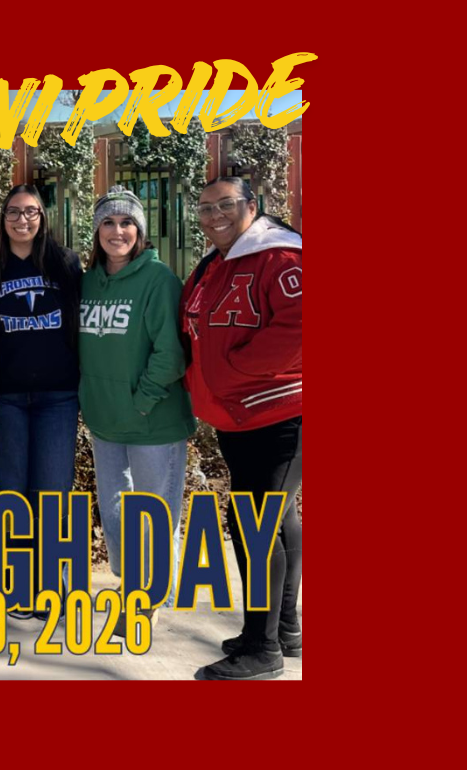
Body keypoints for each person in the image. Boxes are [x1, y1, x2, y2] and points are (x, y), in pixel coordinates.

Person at [183, 178, 303, 681]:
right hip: (238, 415)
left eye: (226, 205)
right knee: (278, 519)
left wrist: (229, 372)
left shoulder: (282, 257)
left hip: (278, 413)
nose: (214, 215)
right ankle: (286, 627)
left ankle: (262, 648)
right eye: (206, 207)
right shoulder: (216, 261)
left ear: (252, 207)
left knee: (253, 526)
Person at [77, 185, 194, 630]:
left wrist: (141, 401)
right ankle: (131, 585)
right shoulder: (88, 282)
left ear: (141, 231)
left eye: (127, 222)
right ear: (97, 231)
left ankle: (148, 599)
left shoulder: (159, 280)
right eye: (108, 221)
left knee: (155, 513)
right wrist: (94, 402)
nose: (117, 230)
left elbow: (170, 353)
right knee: (114, 512)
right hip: (105, 423)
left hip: (153, 423)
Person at [0, 185, 82, 618]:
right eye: (14, 212)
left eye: (32, 212)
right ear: (2, 219)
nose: (23, 220)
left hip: (59, 396)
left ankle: (47, 585)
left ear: (43, 217)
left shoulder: (66, 264)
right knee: (12, 492)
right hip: (8, 397)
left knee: (53, 491)